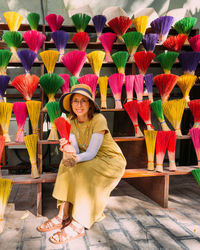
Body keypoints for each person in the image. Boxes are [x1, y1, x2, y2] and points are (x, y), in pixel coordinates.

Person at [37, 84, 126, 244]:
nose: (79, 105)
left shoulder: (99, 119)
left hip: (110, 160)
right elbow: (77, 151)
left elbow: (91, 153)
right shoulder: (71, 120)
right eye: (75, 101)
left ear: (90, 104)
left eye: (83, 101)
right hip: (90, 158)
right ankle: (62, 216)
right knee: (66, 165)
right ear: (70, 104)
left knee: (82, 169)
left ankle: (78, 223)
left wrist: (75, 159)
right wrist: (68, 148)